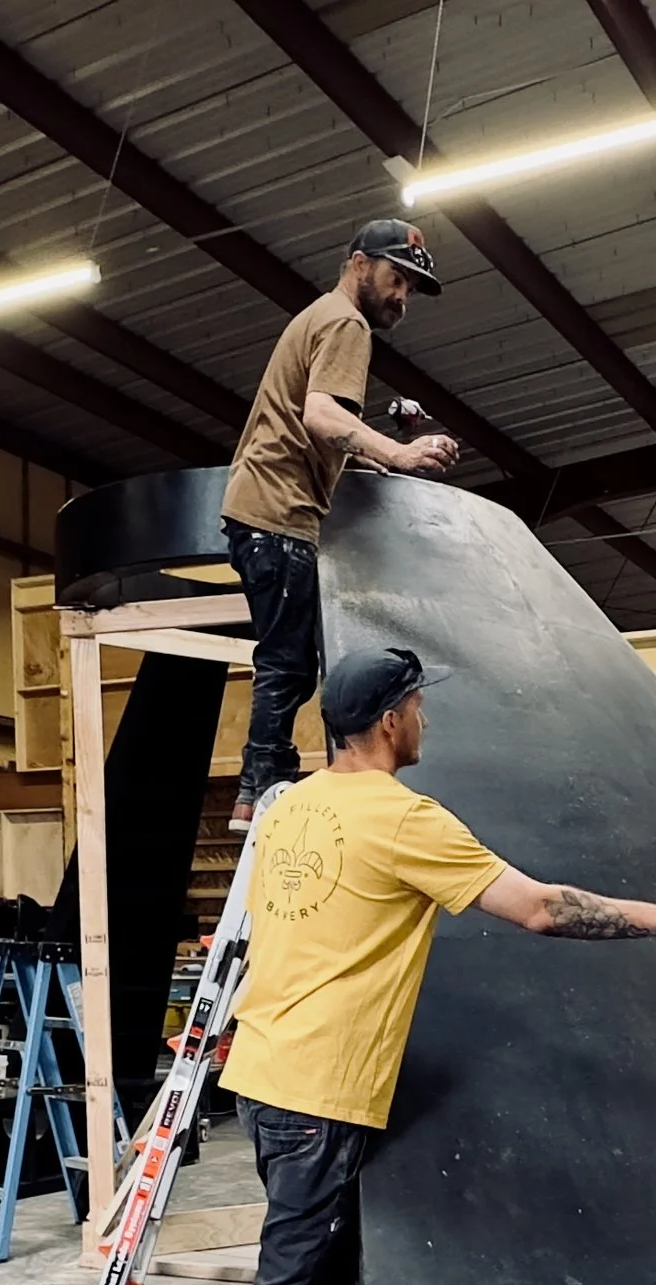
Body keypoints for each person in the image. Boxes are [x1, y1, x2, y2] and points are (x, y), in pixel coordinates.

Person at [219, 645, 656, 1285]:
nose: (425, 721)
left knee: (316, 1274)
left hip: (261, 1071)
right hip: (318, 1093)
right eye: (418, 707)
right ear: (389, 722)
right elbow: (541, 908)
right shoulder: (403, 818)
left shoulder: (291, 807)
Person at [220, 221, 462, 834]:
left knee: (288, 657)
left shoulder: (319, 318)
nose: (401, 296)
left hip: (265, 506)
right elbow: (322, 413)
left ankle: (258, 785)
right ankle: (265, 785)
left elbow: (315, 430)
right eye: (395, 278)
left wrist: (375, 451)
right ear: (359, 265)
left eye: (409, 286)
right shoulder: (347, 323)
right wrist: (400, 455)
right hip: (277, 510)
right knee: (289, 662)